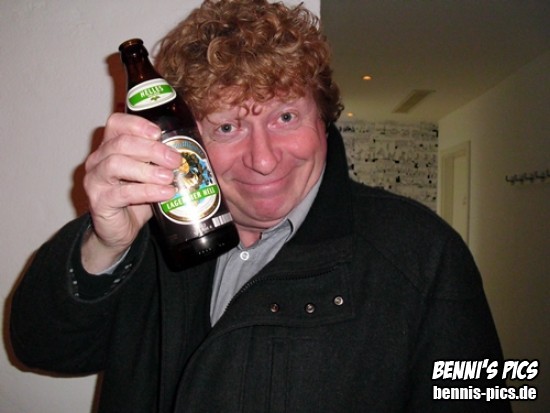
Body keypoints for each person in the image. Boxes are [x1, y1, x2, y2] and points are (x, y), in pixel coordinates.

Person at [10, 0, 511, 412]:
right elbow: (42, 348)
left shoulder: (422, 252)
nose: (264, 159)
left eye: (286, 116)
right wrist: (104, 246)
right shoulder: (148, 236)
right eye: (228, 126)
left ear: (324, 119)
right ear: (188, 137)